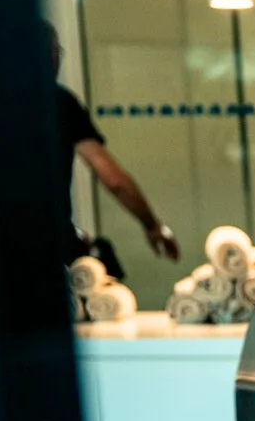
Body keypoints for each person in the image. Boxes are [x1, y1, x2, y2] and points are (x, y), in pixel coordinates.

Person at [46, 23, 179, 274]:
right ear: (52, 55)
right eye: (56, 52)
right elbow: (114, 179)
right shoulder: (58, 103)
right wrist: (152, 225)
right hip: (46, 247)